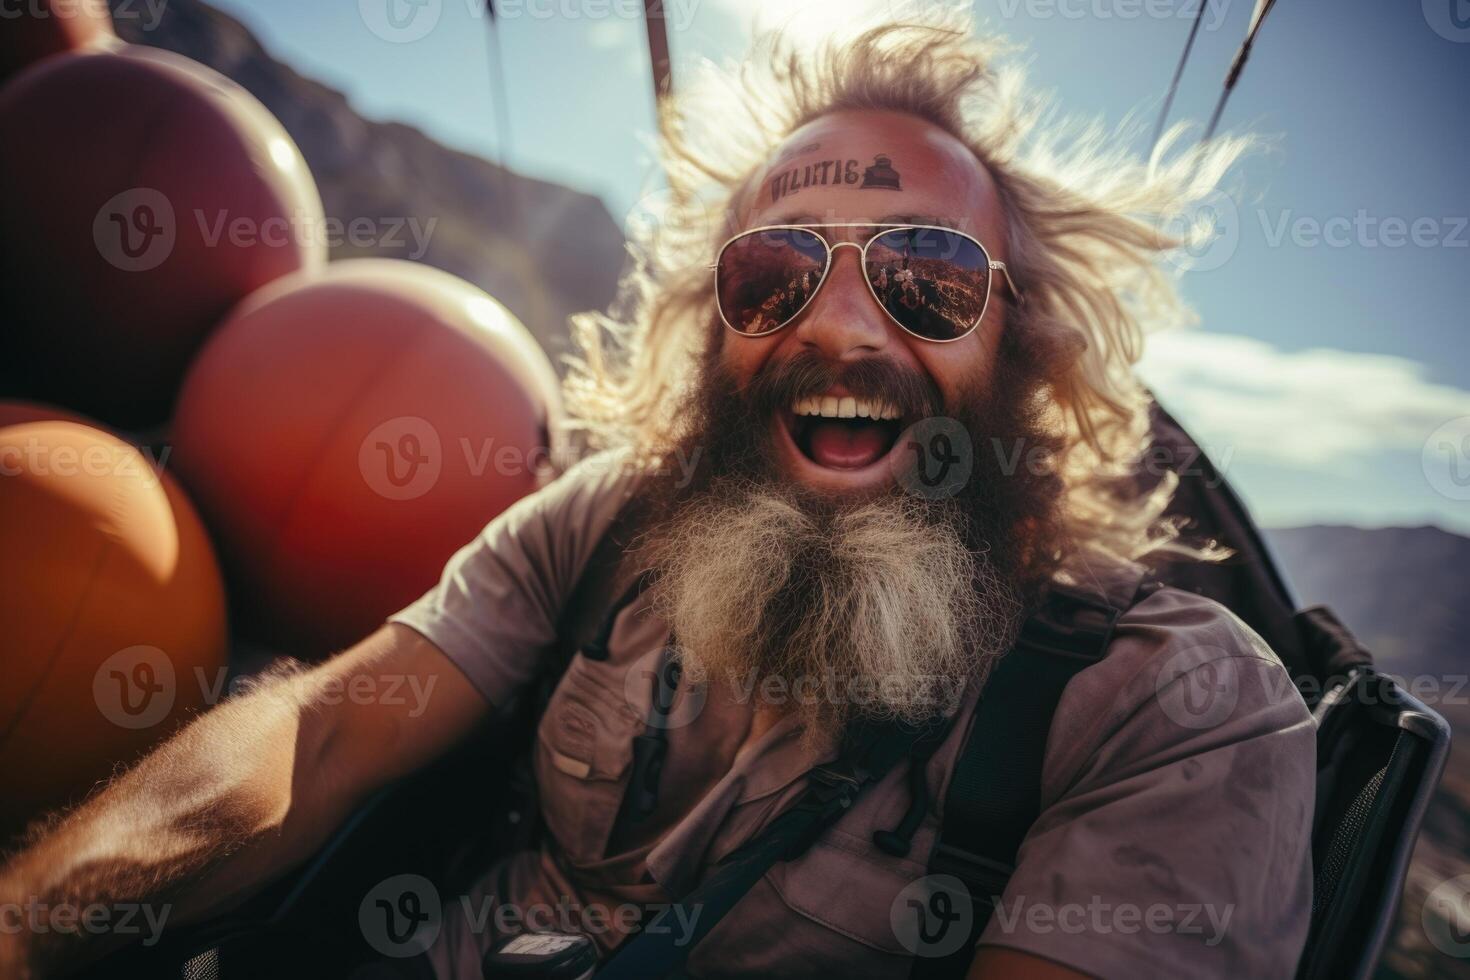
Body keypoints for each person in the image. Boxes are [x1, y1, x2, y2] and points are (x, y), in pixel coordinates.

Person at [0, 11, 1314, 980]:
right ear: (713, 333)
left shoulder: (1174, 712)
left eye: (925, 274)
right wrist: (36, 921)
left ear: (1021, 342)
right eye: (772, 275)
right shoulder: (610, 526)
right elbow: (322, 738)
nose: (838, 324)